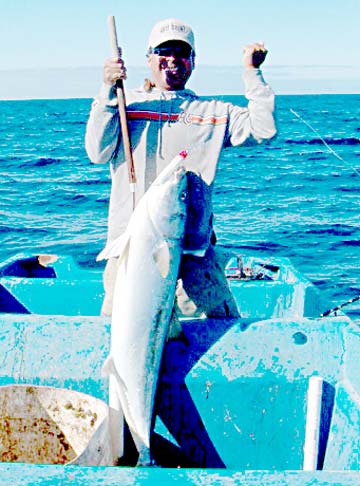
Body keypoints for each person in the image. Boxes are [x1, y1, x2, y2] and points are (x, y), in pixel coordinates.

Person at [85, 18, 276, 317]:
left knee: (219, 336)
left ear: (193, 61)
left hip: (194, 257)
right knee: (123, 345)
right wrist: (107, 90)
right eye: (163, 51)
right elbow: (97, 152)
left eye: (181, 52)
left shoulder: (213, 113)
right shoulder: (125, 104)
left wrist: (253, 73)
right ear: (148, 59)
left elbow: (263, 129)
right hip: (131, 252)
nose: (172, 60)